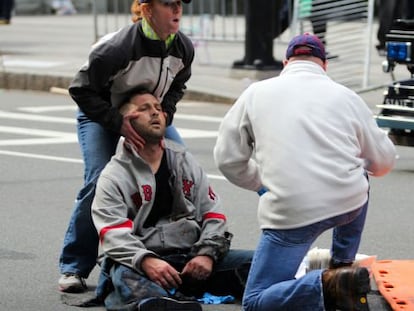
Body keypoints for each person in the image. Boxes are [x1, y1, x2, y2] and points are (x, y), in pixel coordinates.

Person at [214, 33, 396, 311]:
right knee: (361, 175)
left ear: (286, 62)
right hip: (347, 204)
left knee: (255, 301)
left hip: (291, 213)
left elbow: (227, 159)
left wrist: (259, 183)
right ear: (324, 66)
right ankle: (342, 264)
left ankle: (328, 282)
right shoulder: (346, 96)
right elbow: (382, 162)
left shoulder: (255, 93)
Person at [58, 0, 195, 293]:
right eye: (168, 4)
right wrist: (118, 123)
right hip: (103, 115)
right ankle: (73, 266)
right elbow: (80, 89)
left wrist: (165, 112)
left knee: (182, 170)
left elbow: (177, 85)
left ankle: (170, 254)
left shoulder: (183, 47)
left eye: (180, 4)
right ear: (147, 10)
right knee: (98, 180)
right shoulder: (116, 48)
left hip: (149, 113)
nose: (177, 10)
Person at [91, 88, 253, 310]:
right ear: (126, 120)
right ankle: (160, 303)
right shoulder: (113, 175)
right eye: (144, 109)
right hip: (142, 263)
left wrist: (206, 254)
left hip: (191, 257)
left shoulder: (184, 160)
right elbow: (112, 234)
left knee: (260, 263)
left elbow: (212, 213)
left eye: (158, 108)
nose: (155, 113)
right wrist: (147, 261)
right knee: (124, 276)